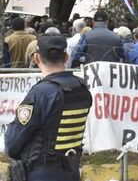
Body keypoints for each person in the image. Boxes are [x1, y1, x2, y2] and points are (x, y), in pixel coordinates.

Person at [5, 35, 92, 181]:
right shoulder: (82, 88)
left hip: (41, 173)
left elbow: (12, 143)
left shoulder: (41, 93)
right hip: (71, 171)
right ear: (66, 57)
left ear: (36, 58)